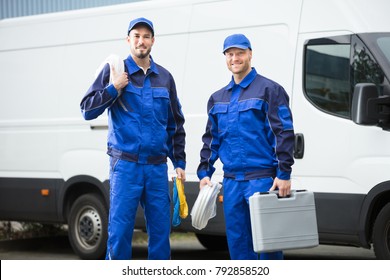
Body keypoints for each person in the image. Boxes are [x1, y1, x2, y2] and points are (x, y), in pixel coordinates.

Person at [80, 17, 186, 260]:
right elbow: (87, 109)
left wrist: (179, 161)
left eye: (146, 36)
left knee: (161, 234)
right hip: (125, 166)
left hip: (157, 168)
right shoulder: (115, 70)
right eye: (136, 36)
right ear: (128, 40)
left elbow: (175, 124)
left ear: (153, 41)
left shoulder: (165, 78)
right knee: (119, 234)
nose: (141, 41)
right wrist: (113, 88)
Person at [197, 34, 294, 260]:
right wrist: (205, 172)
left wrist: (284, 173)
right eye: (230, 54)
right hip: (231, 183)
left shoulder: (270, 90)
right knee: (238, 245)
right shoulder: (217, 98)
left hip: (262, 181)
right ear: (225, 58)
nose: (235, 58)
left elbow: (283, 133)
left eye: (239, 53)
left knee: (267, 246)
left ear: (250, 54)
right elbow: (211, 139)